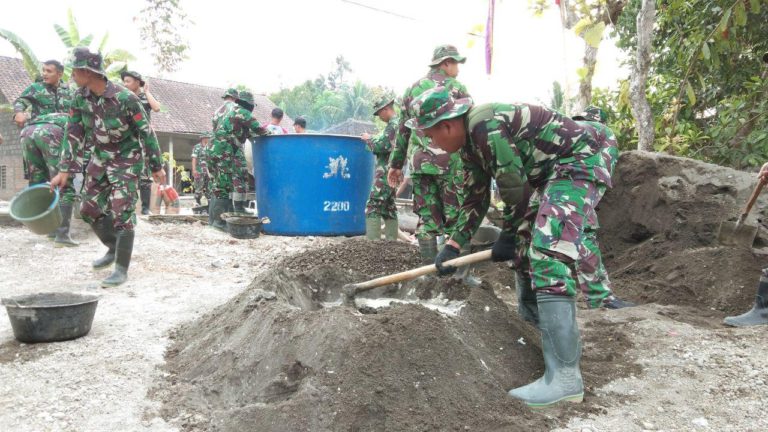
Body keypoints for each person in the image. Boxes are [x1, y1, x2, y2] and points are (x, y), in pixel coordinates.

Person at [406, 87, 620, 408]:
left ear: (447, 125)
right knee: (523, 243)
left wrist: (507, 233)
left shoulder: (485, 127)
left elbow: (514, 188)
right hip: (551, 172)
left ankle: (564, 378)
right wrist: (452, 246)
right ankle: (534, 330)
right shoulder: (468, 147)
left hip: (582, 158)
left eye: (431, 136)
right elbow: (476, 199)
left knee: (546, 251)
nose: (432, 144)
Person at [50, 47, 166, 287]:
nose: (71, 74)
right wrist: (64, 170)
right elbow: (73, 133)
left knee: (122, 211)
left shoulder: (125, 98)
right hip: (100, 158)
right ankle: (114, 247)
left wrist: (156, 165)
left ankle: (121, 269)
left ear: (89, 72)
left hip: (127, 159)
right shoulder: (80, 97)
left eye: (75, 70)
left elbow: (146, 132)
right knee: (88, 209)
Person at [386, 45, 478, 286]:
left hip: (421, 164)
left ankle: (428, 276)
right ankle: (459, 278)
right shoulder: (457, 89)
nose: (458, 68)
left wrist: (395, 164)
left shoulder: (412, 90)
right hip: (451, 163)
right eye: (456, 63)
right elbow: (467, 126)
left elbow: (403, 129)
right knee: (457, 218)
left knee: (427, 220)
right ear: (446, 63)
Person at [569, 106, 634, 310]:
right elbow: (601, 172)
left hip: (542, 188)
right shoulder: (603, 132)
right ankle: (600, 299)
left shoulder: (563, 126)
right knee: (584, 231)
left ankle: (533, 300)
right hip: (572, 188)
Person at [207, 89, 269, 230]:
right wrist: (269, 134)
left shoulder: (221, 111)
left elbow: (224, 128)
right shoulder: (242, 111)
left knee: (218, 183)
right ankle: (219, 222)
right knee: (223, 185)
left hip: (213, 148)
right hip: (224, 149)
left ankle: (213, 221)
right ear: (249, 104)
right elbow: (260, 130)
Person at [19, 113, 79, 247]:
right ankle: (62, 236)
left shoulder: (65, 115)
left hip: (26, 132)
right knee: (64, 184)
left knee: (39, 182)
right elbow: (75, 146)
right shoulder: (88, 122)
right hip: (50, 132)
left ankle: (50, 230)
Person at [121, 70, 161, 215]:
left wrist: (147, 92)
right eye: (124, 81)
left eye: (128, 81)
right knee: (126, 174)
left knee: (144, 175)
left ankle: (145, 209)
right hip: (127, 140)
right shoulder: (123, 98)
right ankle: (128, 208)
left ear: (137, 82)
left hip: (143, 140)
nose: (125, 84)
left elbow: (156, 108)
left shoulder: (144, 97)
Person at [361, 96, 399, 240]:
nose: (379, 117)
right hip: (393, 171)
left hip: (386, 171)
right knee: (389, 207)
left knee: (373, 205)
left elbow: (383, 146)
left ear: (385, 109)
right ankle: (391, 244)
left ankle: (373, 247)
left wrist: (368, 139)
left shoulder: (393, 125)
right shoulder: (397, 124)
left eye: (379, 114)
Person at [191, 132, 211, 206]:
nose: (207, 139)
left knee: (209, 188)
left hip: (209, 171)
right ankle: (197, 203)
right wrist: (194, 170)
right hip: (200, 171)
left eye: (208, 138)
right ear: (202, 138)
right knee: (198, 188)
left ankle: (209, 205)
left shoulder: (210, 147)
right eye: (206, 138)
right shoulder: (197, 147)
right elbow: (194, 158)